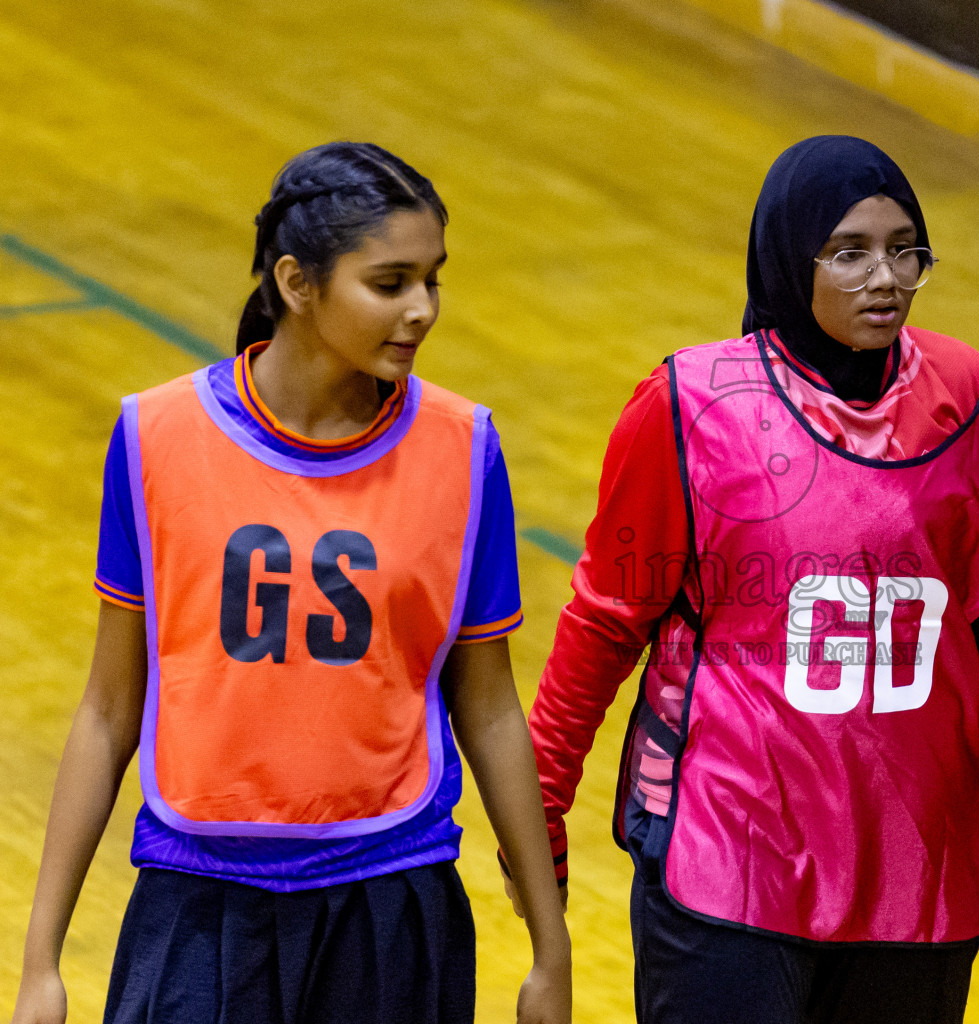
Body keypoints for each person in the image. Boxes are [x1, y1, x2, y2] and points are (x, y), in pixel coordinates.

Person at [523, 135, 979, 1023]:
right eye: (849, 252)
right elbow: (604, 622)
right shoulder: (693, 406)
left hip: (919, 869)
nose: (886, 278)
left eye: (905, 248)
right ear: (791, 259)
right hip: (729, 858)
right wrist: (541, 812)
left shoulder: (967, 394)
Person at [10, 142, 570, 1024]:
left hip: (390, 900)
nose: (422, 310)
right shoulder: (155, 436)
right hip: (198, 902)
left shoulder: (464, 449)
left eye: (433, 280)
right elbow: (109, 708)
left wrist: (551, 946)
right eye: (390, 284)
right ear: (297, 283)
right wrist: (40, 960)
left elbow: (491, 707)